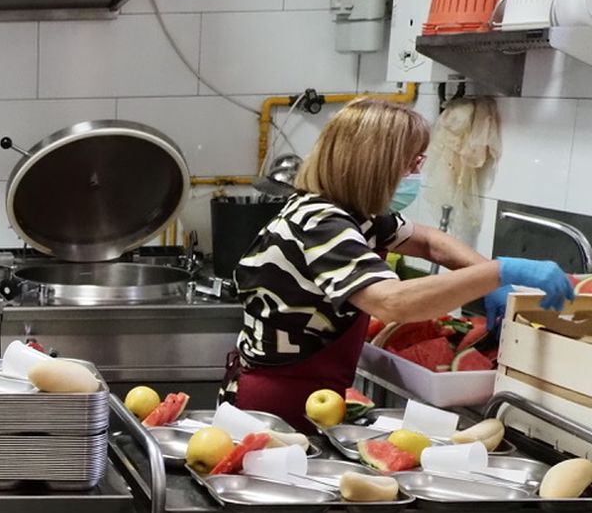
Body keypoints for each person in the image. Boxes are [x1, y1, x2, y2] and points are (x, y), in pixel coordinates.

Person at [224, 98, 573, 430]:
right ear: (376, 164)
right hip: (281, 405)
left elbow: (428, 241)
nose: (417, 170)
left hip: (310, 394)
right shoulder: (323, 223)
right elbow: (392, 302)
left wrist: (491, 279)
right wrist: (500, 271)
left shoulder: (351, 214)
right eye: (412, 160)